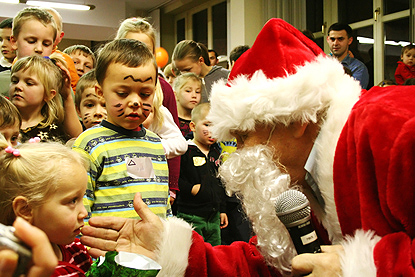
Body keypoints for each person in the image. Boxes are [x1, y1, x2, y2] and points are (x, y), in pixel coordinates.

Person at [72, 39, 171, 222]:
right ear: (100, 93)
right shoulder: (90, 144)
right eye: (123, 93)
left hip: (153, 247)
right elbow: (79, 205)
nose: (135, 101)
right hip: (107, 248)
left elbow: (164, 202)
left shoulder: (156, 144)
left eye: (145, 94)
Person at [0, 137, 92, 276]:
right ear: (26, 209)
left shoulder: (75, 249)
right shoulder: (22, 270)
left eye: (82, 198)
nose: (84, 213)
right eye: (72, 201)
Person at [116, 17, 182, 198]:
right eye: (131, 47)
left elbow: (176, 139)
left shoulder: (163, 89)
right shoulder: (108, 85)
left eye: (145, 49)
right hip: (112, 166)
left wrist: (171, 187)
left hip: (147, 170)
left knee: (141, 203)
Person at [177, 103, 228, 246]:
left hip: (213, 217)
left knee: (215, 251)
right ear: (193, 126)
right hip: (191, 215)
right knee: (193, 251)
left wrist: (222, 210)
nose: (213, 131)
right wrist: (191, 189)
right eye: (207, 125)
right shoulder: (185, 150)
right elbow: (175, 179)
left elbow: (221, 182)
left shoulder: (216, 153)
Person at [9, 54, 80, 143]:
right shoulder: (3, 121)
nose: (18, 86)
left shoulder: (54, 129)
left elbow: (76, 138)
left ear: (49, 95)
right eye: (14, 81)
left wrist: (67, 97)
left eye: (29, 83)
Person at [0, 7, 57, 97]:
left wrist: (67, 97)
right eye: (31, 41)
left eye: (46, 44)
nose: (39, 49)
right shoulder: (1, 82)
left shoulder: (59, 85)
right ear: (14, 41)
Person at [42, 7, 80, 91]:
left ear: (60, 36)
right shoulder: (22, 58)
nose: (47, 31)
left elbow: (75, 89)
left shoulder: (66, 60)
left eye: (53, 28)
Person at [327, 22, 369, 89]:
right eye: (332, 39)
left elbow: (352, 95)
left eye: (340, 39)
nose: (335, 43)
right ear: (328, 40)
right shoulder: (322, 63)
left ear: (349, 40)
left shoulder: (358, 68)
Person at [173, 72, 202, 137]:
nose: (194, 95)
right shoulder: (170, 118)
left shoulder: (201, 120)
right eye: (188, 91)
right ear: (175, 95)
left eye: (197, 92)